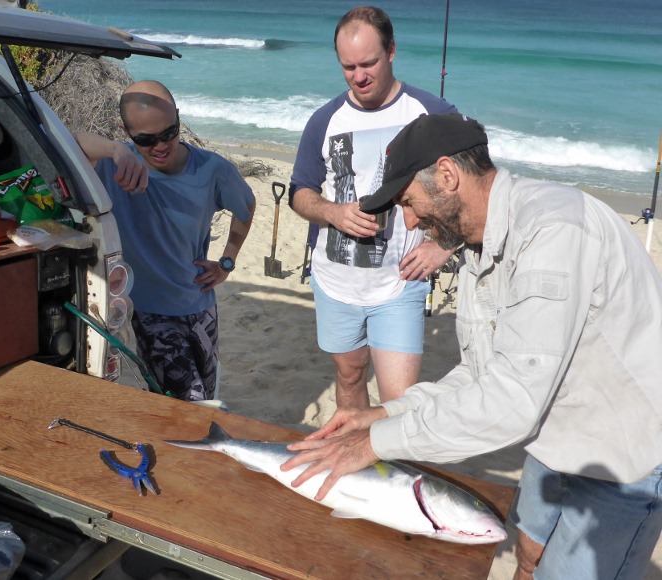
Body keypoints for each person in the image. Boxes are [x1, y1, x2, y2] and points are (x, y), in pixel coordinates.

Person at [282, 112, 662, 579]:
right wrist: (384, 414)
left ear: (447, 175)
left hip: (626, 457)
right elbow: (483, 373)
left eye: (408, 201)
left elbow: (512, 399)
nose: (408, 220)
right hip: (557, 431)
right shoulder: (477, 246)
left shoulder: (553, 231)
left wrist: (375, 445)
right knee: (528, 559)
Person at [288, 6, 457, 409]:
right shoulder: (324, 120)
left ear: (392, 51)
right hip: (334, 282)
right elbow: (300, 191)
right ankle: (357, 466)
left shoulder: (430, 114)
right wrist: (333, 212)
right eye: (348, 67)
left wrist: (443, 245)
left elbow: (478, 187)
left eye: (369, 63)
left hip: (400, 283)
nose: (359, 76)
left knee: (398, 402)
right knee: (348, 379)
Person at [75, 80, 255, 402]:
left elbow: (246, 205)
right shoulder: (116, 166)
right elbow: (72, 144)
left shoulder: (212, 169)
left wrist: (227, 261)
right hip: (150, 312)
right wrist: (116, 149)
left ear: (178, 119)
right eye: (145, 139)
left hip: (200, 304)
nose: (160, 146)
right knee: (189, 403)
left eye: (169, 133)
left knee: (209, 394)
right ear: (126, 131)